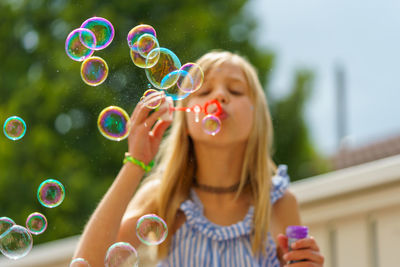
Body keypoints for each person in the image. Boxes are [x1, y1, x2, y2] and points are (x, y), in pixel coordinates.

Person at [73, 50, 325, 266]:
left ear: (256, 116)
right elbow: (89, 263)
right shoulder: (163, 198)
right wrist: (136, 163)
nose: (220, 96)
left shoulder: (278, 203)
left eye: (235, 91)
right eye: (204, 91)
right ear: (185, 120)